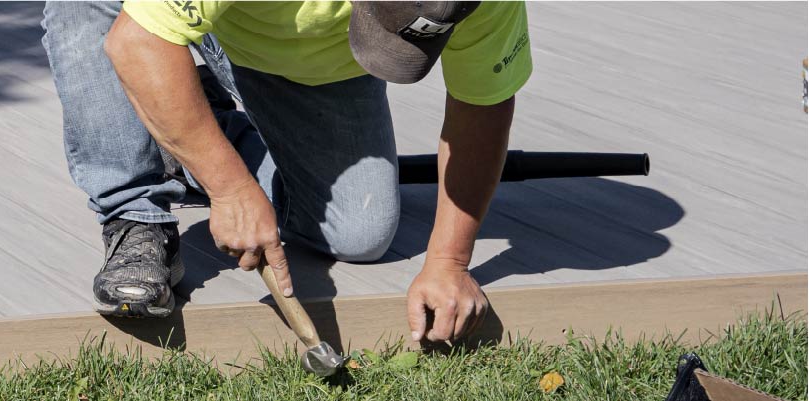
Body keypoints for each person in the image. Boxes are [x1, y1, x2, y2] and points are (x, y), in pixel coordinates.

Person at [41, 1, 531, 344]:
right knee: (109, 17)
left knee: (359, 234)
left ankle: (183, 113)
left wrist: (450, 262)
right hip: (148, 18)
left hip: (299, 48)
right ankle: (135, 214)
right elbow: (135, 41)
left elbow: (482, 104)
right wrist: (230, 190)